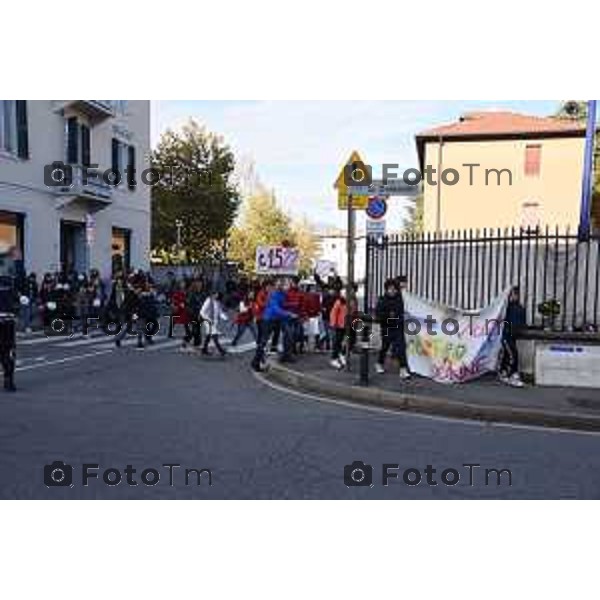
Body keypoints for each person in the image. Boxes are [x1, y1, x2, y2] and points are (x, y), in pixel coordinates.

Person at [375, 277, 410, 380]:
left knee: (401, 348)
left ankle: (403, 369)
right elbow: (378, 314)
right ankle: (379, 363)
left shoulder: (399, 299)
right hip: (386, 328)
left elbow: (402, 312)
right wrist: (388, 316)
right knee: (385, 347)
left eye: (394, 289)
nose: (392, 291)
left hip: (398, 328)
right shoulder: (382, 300)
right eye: (390, 289)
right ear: (386, 289)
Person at [263, 280, 297, 363]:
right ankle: (258, 359)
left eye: (288, 285)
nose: (287, 287)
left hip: (279, 318)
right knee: (264, 340)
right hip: (270, 319)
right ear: (280, 286)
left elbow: (282, 304)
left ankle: (287, 355)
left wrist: (292, 305)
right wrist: (289, 314)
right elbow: (276, 309)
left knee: (288, 335)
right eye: (286, 285)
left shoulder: (283, 294)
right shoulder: (273, 294)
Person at [499, 286, 526, 388]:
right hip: (506, 335)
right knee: (513, 354)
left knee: (507, 354)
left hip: (513, 335)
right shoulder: (506, 307)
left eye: (516, 294)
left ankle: (503, 372)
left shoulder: (520, 308)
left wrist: (520, 330)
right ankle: (512, 375)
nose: (515, 296)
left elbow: (521, 321)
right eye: (513, 294)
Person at [200, 291, 228, 357]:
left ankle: (204, 349)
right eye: (215, 294)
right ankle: (221, 350)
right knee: (214, 335)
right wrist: (208, 319)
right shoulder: (208, 301)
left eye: (217, 295)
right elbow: (202, 312)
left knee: (209, 336)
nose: (216, 296)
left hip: (214, 321)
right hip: (208, 321)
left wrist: (225, 318)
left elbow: (219, 312)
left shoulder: (218, 302)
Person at [329, 291, 348, 370]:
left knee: (343, 342)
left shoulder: (348, 302)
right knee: (337, 342)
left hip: (345, 326)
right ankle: (334, 358)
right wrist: (334, 324)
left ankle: (341, 355)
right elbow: (333, 313)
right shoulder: (339, 302)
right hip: (338, 326)